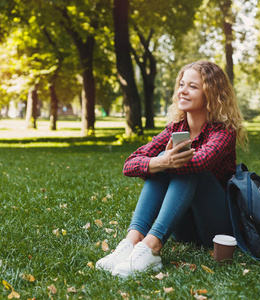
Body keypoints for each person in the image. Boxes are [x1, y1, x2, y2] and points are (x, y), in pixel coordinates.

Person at [96, 60, 247, 277]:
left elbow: (201, 162)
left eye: (192, 87)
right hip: (184, 229)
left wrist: (165, 162)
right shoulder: (175, 129)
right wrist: (159, 162)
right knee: (161, 158)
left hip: (217, 229)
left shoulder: (223, 132)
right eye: (181, 85)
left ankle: (151, 247)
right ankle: (132, 241)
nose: (182, 91)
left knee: (184, 163)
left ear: (211, 94)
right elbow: (129, 164)